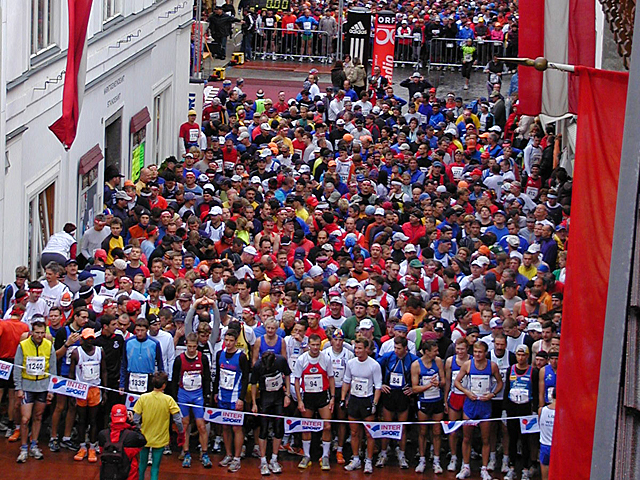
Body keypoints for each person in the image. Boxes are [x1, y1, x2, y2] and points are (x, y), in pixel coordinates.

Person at [454, 341, 503, 480]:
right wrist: (466, 392)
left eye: (480, 352)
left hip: (485, 406)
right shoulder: (468, 365)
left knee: (486, 438)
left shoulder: (492, 366)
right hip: (470, 405)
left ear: (485, 352)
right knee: (467, 437)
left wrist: (492, 394)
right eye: (475, 352)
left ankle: (484, 468)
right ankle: (466, 466)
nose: (477, 355)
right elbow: (457, 381)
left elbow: (500, 382)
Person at [13, 319, 56, 463]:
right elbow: (17, 367)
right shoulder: (23, 346)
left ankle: (34, 444)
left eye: (42, 333)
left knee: (38, 416)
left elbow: (52, 369)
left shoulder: (49, 345)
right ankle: (23, 448)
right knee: (25, 419)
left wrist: (51, 389)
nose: (39, 335)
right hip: (27, 386)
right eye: (37, 333)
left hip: (43, 387)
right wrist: (18, 388)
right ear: (31, 332)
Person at [293, 332, 335, 470]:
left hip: (323, 396)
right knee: (306, 426)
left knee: (327, 426)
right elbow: (297, 381)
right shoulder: (302, 359)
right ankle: (306, 455)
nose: (315, 348)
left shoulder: (326, 359)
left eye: (318, 345)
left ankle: (325, 456)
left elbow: (331, 378)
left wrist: (333, 398)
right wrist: (299, 400)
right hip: (308, 397)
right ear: (308, 345)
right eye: (313, 345)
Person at [170, 332, 212, 468]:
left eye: (194, 347)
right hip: (183, 394)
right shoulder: (179, 359)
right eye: (190, 346)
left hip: (198, 394)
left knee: (201, 425)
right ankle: (186, 452)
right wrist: (175, 397)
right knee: (185, 424)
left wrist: (207, 396)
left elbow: (207, 378)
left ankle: (204, 453)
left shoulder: (203, 358)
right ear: (186, 345)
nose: (192, 349)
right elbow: (175, 379)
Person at [132, 372, 184, 480]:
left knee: (141, 466)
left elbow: (135, 419)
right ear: (164, 385)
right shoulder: (168, 399)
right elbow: (178, 420)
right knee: (155, 468)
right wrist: (181, 432)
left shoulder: (143, 398)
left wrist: (138, 430)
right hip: (160, 439)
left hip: (144, 438)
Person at [375, 336, 418, 469]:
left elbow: (418, 373)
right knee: (387, 426)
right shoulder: (388, 357)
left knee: (402, 427)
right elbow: (375, 368)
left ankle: (402, 453)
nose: (396, 350)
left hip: (403, 395)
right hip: (389, 393)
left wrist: (412, 387)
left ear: (405, 348)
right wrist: (380, 384)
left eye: (399, 348)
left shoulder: (413, 359)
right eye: (394, 347)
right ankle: (383, 453)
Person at [341, 337, 382, 474]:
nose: (357, 351)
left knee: (369, 433)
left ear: (367, 349)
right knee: (354, 432)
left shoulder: (374, 365)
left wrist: (374, 403)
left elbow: (378, 387)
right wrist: (343, 398)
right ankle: (356, 458)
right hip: (354, 400)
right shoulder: (351, 363)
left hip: (367, 400)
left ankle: (369, 460)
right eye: (356, 348)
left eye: (360, 348)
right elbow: (347, 381)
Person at [214, 326, 250, 473]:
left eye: (231, 341)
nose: (228, 343)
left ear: (236, 341)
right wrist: (215, 392)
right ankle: (228, 454)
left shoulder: (241, 356)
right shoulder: (219, 354)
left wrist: (241, 398)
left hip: (235, 397)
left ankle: (237, 458)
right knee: (225, 426)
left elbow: (246, 378)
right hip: (223, 395)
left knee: (236, 427)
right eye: (226, 340)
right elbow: (217, 374)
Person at [250, 349, 291, 475]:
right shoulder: (258, 366)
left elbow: (288, 375)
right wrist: (254, 403)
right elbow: (253, 384)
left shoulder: (281, 361)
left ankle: (274, 458)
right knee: (263, 428)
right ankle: (263, 461)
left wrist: (287, 395)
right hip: (265, 398)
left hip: (278, 397)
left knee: (278, 428)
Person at [69, 328, 107, 463]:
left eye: (92, 338)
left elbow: (103, 371)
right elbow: (71, 374)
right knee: (81, 420)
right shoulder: (76, 353)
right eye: (87, 339)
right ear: (82, 340)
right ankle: (81, 446)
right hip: (80, 389)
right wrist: (72, 394)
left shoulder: (99, 351)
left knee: (93, 420)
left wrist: (105, 391)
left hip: (95, 389)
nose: (90, 341)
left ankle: (92, 445)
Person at [503, 344, 538, 480]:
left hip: (526, 408)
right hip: (512, 407)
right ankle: (511, 468)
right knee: (512, 438)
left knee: (525, 440)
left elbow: (535, 391)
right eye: (519, 355)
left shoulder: (532, 371)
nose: (521, 358)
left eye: (524, 355)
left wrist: (534, 411)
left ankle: (525, 469)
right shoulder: (510, 370)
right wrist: (505, 410)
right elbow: (507, 389)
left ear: (528, 356)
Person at [412, 339, 445, 474]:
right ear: (426, 352)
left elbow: (443, 381)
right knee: (423, 432)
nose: (437, 353)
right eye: (435, 351)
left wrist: (439, 384)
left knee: (437, 431)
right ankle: (422, 459)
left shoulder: (438, 362)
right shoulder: (416, 365)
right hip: (424, 402)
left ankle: (436, 460)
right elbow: (414, 388)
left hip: (437, 400)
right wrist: (429, 386)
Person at [98, 404, 146, 480]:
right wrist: (133, 424)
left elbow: (101, 450)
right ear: (126, 417)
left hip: (107, 474)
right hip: (129, 475)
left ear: (111, 416)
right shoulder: (132, 436)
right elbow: (143, 441)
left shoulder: (103, 435)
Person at [444, 337, 470, 472]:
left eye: (462, 349)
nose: (460, 351)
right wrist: (445, 400)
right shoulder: (450, 361)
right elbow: (448, 381)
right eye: (457, 349)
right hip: (454, 396)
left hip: (468, 397)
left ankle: (466, 460)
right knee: (452, 429)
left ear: (467, 349)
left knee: (466, 431)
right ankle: (453, 456)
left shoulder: (472, 360)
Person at [538, 387, 556, 480]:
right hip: (557, 447)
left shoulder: (541, 410)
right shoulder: (562, 412)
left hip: (545, 445)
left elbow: (539, 425)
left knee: (545, 477)